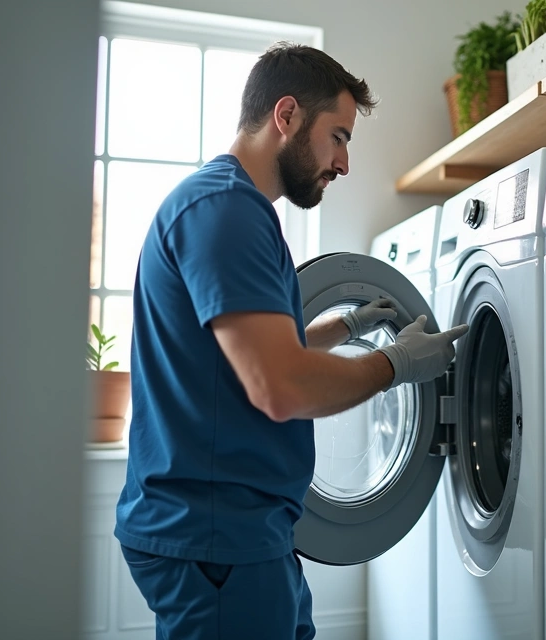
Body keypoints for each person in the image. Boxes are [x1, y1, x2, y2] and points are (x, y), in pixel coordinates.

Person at [113, 42, 469, 639]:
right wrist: (396, 363)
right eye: (339, 136)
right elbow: (279, 386)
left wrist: (346, 325)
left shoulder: (227, 205)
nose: (345, 162)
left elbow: (236, 359)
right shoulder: (228, 211)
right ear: (286, 117)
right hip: (218, 537)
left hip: (231, 531)